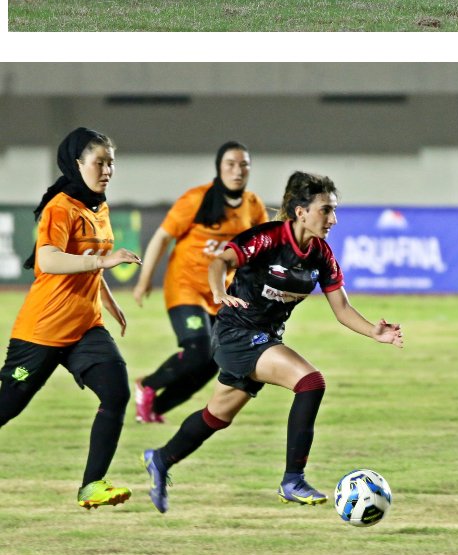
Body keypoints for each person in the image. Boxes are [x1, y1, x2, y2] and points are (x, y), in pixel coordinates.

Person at [142, 171, 402, 512]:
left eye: (334, 210)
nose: (333, 219)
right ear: (301, 212)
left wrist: (373, 331)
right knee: (310, 383)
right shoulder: (267, 238)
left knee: (217, 415)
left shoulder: (321, 255)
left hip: (264, 339)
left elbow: (341, 308)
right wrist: (219, 290)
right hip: (237, 335)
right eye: (326, 210)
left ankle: (160, 460)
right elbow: (221, 261)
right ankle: (293, 480)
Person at [0, 128, 141, 509]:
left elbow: (91, 265)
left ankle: (92, 485)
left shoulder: (99, 205)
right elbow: (47, 259)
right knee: (6, 408)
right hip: (43, 328)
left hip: (85, 327)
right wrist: (103, 261)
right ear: (77, 164)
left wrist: (108, 299)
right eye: (100, 162)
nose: (107, 170)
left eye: (111, 162)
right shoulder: (60, 207)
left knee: (116, 391)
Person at [132, 142, 267, 424]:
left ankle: (155, 409)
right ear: (219, 167)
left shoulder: (253, 206)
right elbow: (161, 238)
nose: (237, 170)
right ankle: (147, 385)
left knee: (214, 362)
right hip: (186, 287)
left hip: (222, 295)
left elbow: (262, 251)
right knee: (198, 350)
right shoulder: (196, 199)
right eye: (230, 163)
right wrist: (144, 280)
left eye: (244, 164)